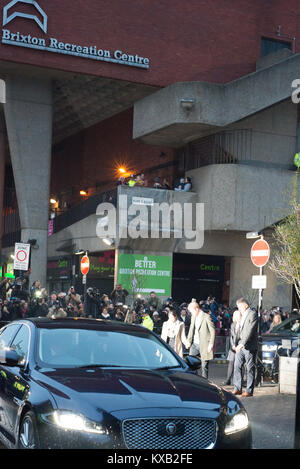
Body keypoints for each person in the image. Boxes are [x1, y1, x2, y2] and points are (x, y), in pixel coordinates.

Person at [233, 298, 258, 397]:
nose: (239, 309)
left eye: (240, 306)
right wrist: (236, 343)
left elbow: (249, 331)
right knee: (237, 366)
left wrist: (242, 344)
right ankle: (237, 388)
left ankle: (249, 390)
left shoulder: (252, 314)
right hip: (240, 344)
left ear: (245, 305)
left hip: (249, 346)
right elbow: (239, 330)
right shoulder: (242, 315)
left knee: (249, 368)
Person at [186, 301, 215, 379]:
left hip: (205, 344)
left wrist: (211, 344)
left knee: (204, 365)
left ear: (196, 309)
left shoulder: (206, 317)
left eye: (191, 311)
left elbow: (212, 331)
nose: (190, 313)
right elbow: (191, 329)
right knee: (190, 363)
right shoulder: (193, 317)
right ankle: (192, 380)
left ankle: (205, 382)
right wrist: (188, 341)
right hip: (194, 344)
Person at [223, 309, 242, 385]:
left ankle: (239, 381)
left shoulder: (242, 324)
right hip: (233, 347)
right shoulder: (232, 325)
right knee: (231, 363)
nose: (236, 317)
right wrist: (233, 345)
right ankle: (228, 380)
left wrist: (239, 346)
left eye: (238, 315)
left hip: (241, 346)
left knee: (240, 364)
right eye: (235, 315)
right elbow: (231, 336)